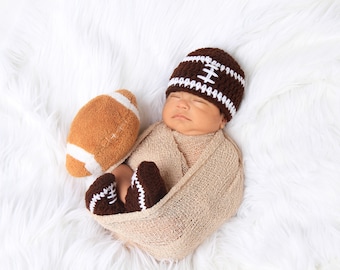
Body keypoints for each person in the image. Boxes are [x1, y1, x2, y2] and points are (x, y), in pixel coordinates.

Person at [85, 47, 245, 218]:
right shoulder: (155, 131)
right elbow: (128, 156)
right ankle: (121, 203)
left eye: (198, 102)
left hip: (173, 209)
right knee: (120, 171)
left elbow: (217, 192)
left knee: (145, 181)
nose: (182, 104)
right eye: (175, 96)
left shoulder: (221, 152)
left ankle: (147, 202)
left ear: (223, 119)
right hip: (135, 190)